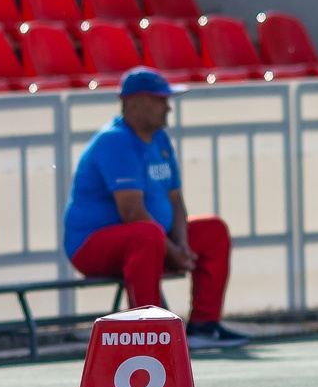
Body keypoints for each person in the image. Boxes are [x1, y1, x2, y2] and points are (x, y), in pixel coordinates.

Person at [63, 68, 244, 342]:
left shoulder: (159, 138)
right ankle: (150, 332)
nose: (168, 107)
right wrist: (172, 251)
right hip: (91, 246)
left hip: (153, 240)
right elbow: (132, 213)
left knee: (213, 231)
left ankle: (204, 326)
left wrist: (181, 244)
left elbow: (176, 200)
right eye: (159, 100)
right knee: (147, 235)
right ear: (133, 103)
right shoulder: (116, 141)